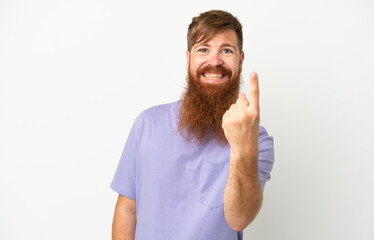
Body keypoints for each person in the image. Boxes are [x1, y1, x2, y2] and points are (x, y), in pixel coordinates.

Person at [111, 10, 275, 240]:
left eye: (226, 50)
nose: (215, 61)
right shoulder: (147, 124)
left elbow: (239, 218)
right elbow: (128, 209)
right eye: (203, 49)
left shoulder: (257, 140)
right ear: (188, 58)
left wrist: (241, 147)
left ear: (240, 60)